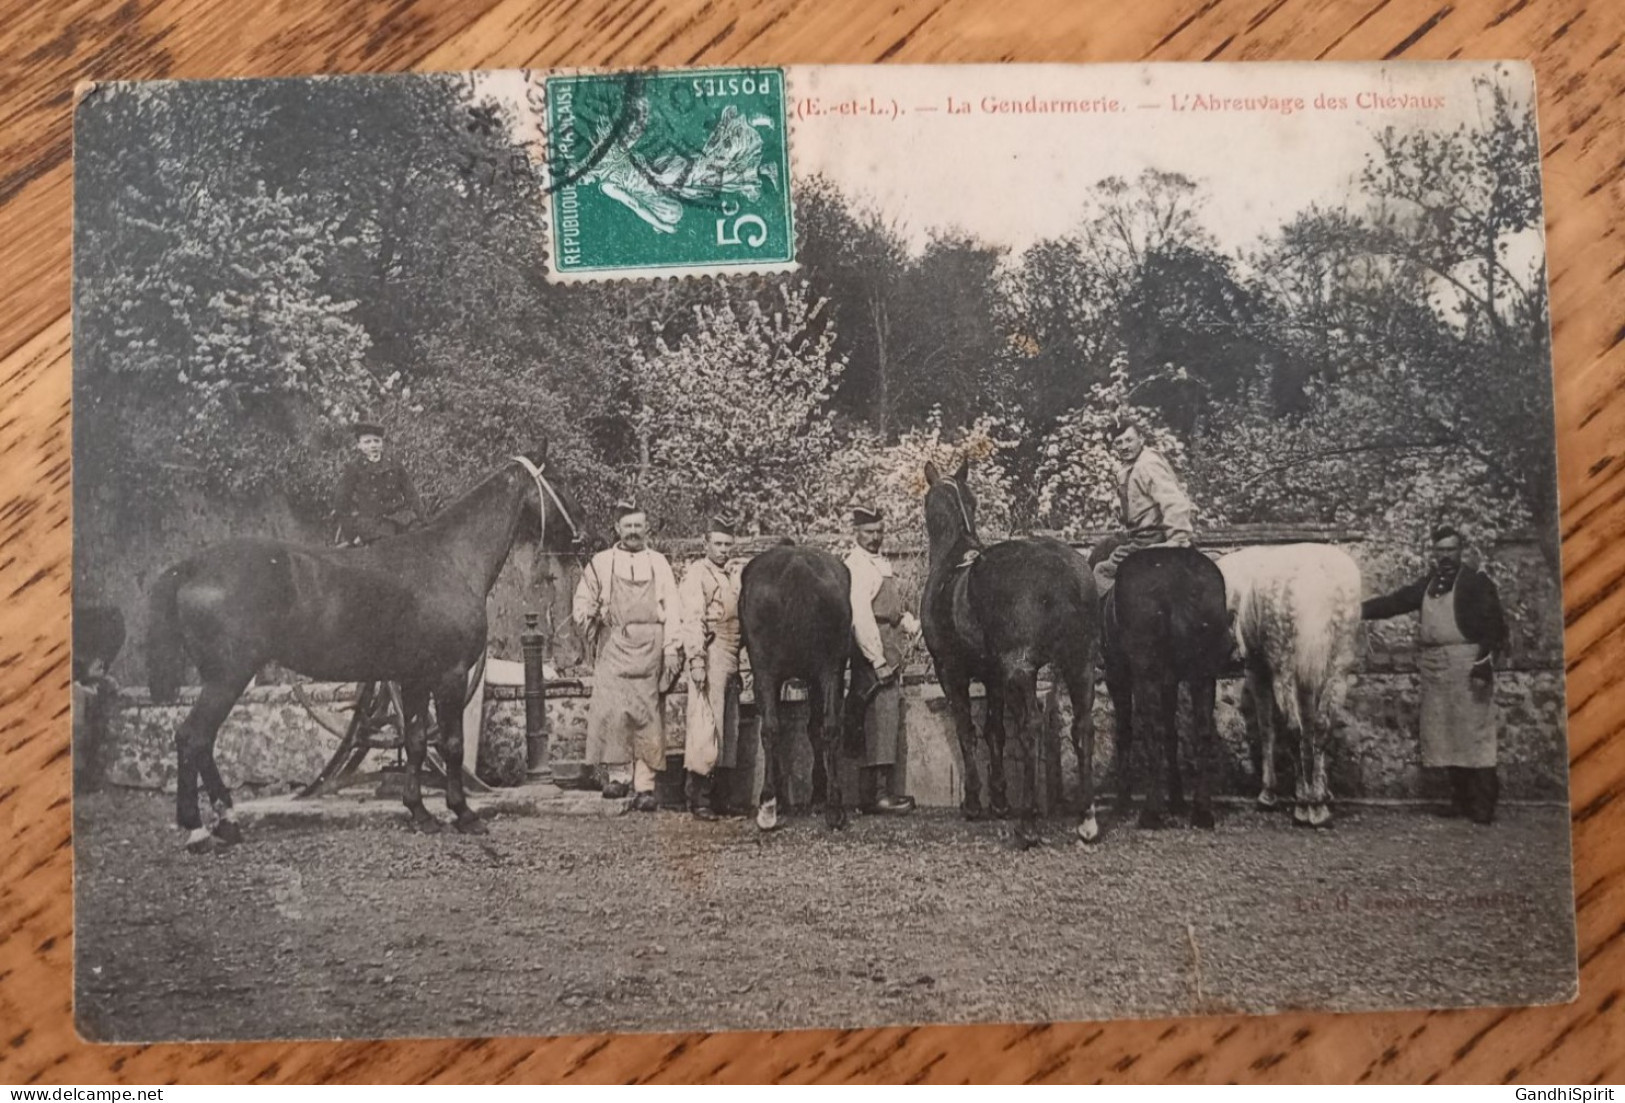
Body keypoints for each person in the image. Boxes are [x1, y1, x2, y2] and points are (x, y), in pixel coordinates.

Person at [1362, 525, 1509, 825]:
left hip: (1466, 662)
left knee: (1474, 732)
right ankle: (1460, 800)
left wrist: (1482, 664)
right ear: (1434, 552)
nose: (1445, 556)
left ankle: (1483, 805)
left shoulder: (1476, 583)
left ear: (1460, 550)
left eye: (1450, 550)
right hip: (1434, 666)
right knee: (1445, 733)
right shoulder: (1429, 584)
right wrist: (1353, 609)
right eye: (1440, 550)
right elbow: (1395, 602)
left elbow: (1494, 626)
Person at [572, 502, 684, 812]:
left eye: (638, 526)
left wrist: (672, 647)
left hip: (650, 646)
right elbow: (582, 602)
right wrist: (590, 613)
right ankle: (618, 777)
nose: (633, 532)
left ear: (647, 529)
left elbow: (673, 608)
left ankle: (645, 786)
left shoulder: (659, 563)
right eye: (628, 526)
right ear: (617, 529)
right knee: (615, 712)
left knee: (647, 716)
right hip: (615, 645)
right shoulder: (602, 562)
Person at [841, 505, 918, 815]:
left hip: (889, 640)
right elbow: (861, 616)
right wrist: (877, 659)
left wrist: (912, 625)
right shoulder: (856, 566)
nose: (875, 538)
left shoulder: (880, 564)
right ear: (856, 533)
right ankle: (876, 796)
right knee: (877, 719)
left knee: (886, 718)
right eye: (869, 533)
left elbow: (892, 611)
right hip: (871, 648)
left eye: (879, 532)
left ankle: (880, 793)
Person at [677, 517, 746, 821]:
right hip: (711, 648)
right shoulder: (696, 574)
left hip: (734, 648)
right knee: (708, 721)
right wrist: (695, 660)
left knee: (730, 724)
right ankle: (699, 796)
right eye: (717, 544)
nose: (722, 550)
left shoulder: (735, 574)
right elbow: (692, 618)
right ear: (705, 544)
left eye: (727, 544)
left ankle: (724, 797)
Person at [1092, 418, 1197, 596]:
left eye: (1129, 440)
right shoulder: (1133, 467)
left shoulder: (1147, 465)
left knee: (1101, 571)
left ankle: (1109, 622)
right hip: (1144, 536)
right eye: (1119, 442)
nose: (1124, 446)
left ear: (1141, 439)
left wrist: (1178, 539)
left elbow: (1173, 501)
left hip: (1148, 540)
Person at [332, 420, 424, 546]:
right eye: (367, 442)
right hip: (373, 524)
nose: (373, 445)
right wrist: (352, 535)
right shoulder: (354, 468)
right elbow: (341, 502)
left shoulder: (394, 464)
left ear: (382, 443)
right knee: (387, 549)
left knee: (420, 542)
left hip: (400, 518)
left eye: (376, 441)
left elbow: (411, 493)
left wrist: (422, 519)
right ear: (359, 445)